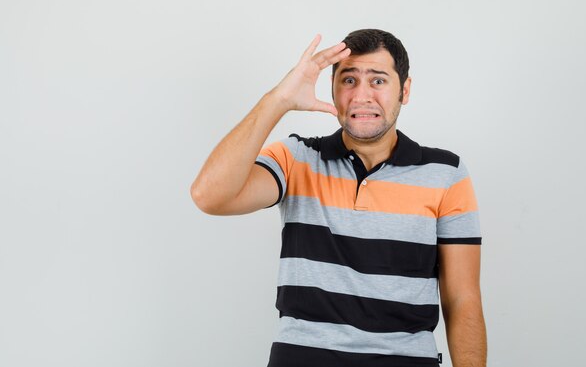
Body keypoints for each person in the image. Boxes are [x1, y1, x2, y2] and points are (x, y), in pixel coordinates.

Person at [190, 29, 487, 367]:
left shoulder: (445, 172)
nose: (361, 96)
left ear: (404, 90)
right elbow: (208, 196)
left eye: (378, 81)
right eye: (348, 80)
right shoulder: (296, 158)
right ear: (332, 88)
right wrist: (279, 100)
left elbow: (462, 298)